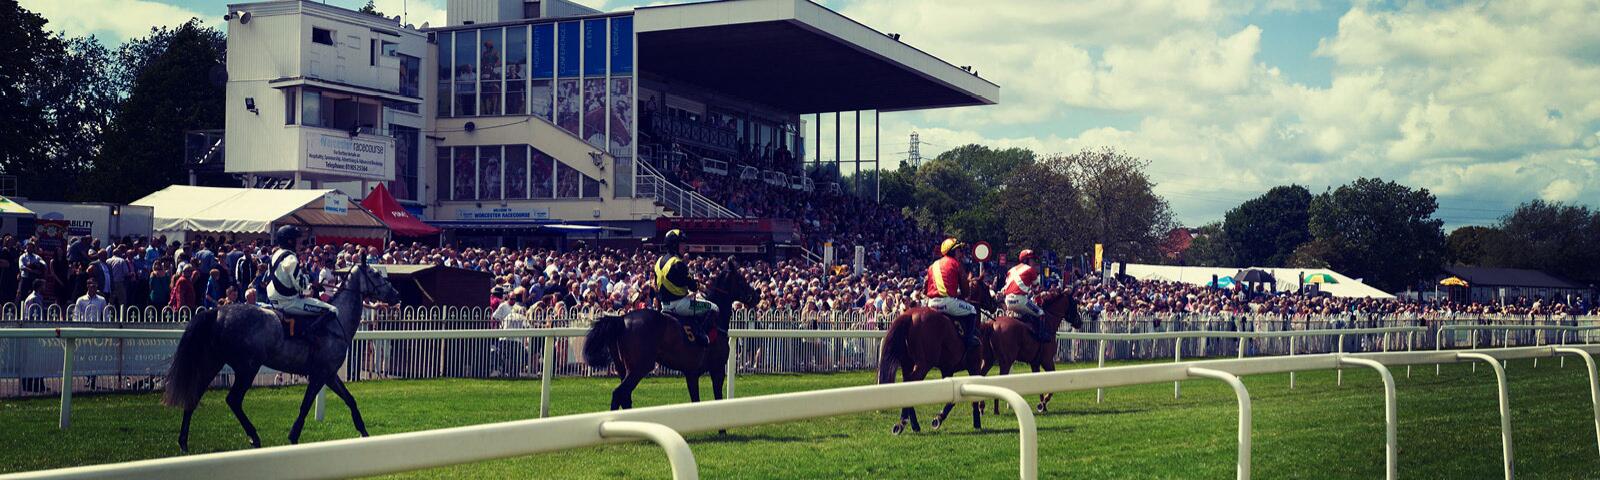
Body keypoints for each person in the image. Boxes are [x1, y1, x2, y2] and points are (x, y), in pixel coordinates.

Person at [653, 229, 717, 346]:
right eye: (682, 243)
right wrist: (701, 286)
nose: (685, 246)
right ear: (674, 245)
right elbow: (692, 286)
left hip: (664, 305)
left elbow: (657, 285)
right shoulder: (677, 263)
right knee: (713, 308)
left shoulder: (658, 261)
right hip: (680, 305)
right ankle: (702, 335)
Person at [267, 226, 338, 327]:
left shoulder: (276, 254)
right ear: (290, 241)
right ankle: (313, 338)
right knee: (333, 310)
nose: (301, 243)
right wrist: (311, 280)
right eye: (298, 240)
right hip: (289, 302)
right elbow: (301, 285)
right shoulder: (291, 258)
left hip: (274, 300)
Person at [925, 238, 979, 347]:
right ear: (953, 251)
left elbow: (926, 288)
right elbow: (965, 292)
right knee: (972, 310)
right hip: (947, 303)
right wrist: (962, 294)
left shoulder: (932, 265)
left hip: (931, 303)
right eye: (959, 250)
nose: (961, 253)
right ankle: (969, 340)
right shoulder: (955, 263)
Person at [1002, 249, 1052, 342]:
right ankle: (1041, 336)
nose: (1034, 263)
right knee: (1040, 312)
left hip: (1008, 301)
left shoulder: (1011, 270)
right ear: (1026, 260)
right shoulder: (1030, 270)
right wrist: (1039, 303)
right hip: (1020, 300)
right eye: (1033, 260)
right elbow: (1036, 291)